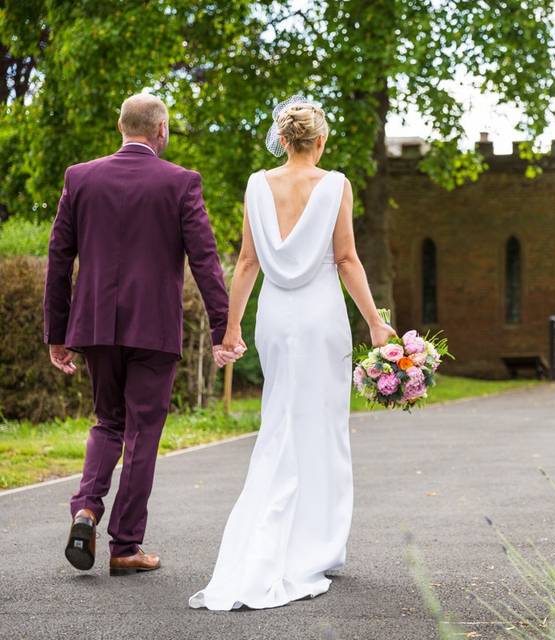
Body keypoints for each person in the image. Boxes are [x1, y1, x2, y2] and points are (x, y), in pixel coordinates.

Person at [188, 96, 395, 610]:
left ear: (283, 139)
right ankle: (320, 544)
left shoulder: (258, 185)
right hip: (322, 318)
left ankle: (281, 530)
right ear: (319, 142)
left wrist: (230, 328)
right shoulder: (336, 185)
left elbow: (245, 263)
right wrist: (375, 321)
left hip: (275, 320)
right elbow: (346, 259)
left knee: (280, 418)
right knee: (323, 425)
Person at [45, 93, 238, 576]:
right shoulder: (180, 182)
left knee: (107, 422)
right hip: (153, 328)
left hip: (93, 325)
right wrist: (223, 329)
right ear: (162, 130)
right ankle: (126, 546)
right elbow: (206, 261)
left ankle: (86, 508)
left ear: (119, 126)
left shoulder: (79, 176)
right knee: (143, 432)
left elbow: (58, 258)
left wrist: (57, 330)